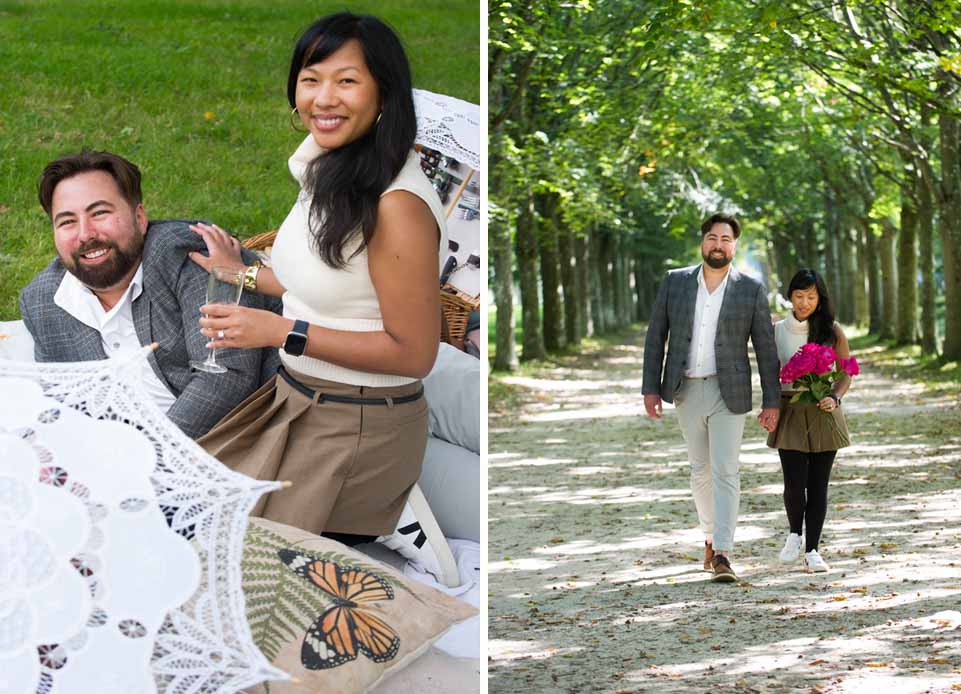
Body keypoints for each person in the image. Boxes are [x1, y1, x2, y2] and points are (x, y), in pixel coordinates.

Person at [188, 13, 447, 546]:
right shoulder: (335, 167)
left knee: (239, 573)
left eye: (346, 81)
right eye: (311, 79)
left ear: (384, 94)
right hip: (295, 399)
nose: (324, 98)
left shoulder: (396, 205)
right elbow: (333, 287)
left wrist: (280, 332)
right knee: (183, 512)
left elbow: (414, 353)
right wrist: (245, 274)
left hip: (357, 428)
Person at [19, 150, 280, 440]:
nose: (85, 234)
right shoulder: (43, 302)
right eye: (67, 221)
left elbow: (226, 376)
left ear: (140, 218)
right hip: (116, 457)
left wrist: (151, 459)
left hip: (237, 437)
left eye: (100, 213)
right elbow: (62, 404)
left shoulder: (187, 255)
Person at [642, 213, 781, 582]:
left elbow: (766, 348)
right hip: (686, 387)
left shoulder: (750, 289)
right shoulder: (676, 283)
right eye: (712, 238)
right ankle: (708, 535)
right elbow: (656, 335)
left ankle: (723, 552)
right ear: (702, 242)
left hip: (729, 390)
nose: (718, 244)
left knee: (725, 470)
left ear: (735, 246)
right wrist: (650, 387)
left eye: (726, 239)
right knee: (700, 471)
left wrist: (772, 401)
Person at [769, 269, 851, 573]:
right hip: (789, 409)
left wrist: (835, 396)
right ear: (790, 296)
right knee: (794, 484)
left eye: (811, 297)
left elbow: (847, 371)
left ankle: (813, 549)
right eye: (799, 296)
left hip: (824, 410)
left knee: (818, 485)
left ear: (820, 298)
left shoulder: (833, 331)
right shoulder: (776, 331)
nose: (804, 302)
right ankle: (794, 534)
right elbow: (768, 373)